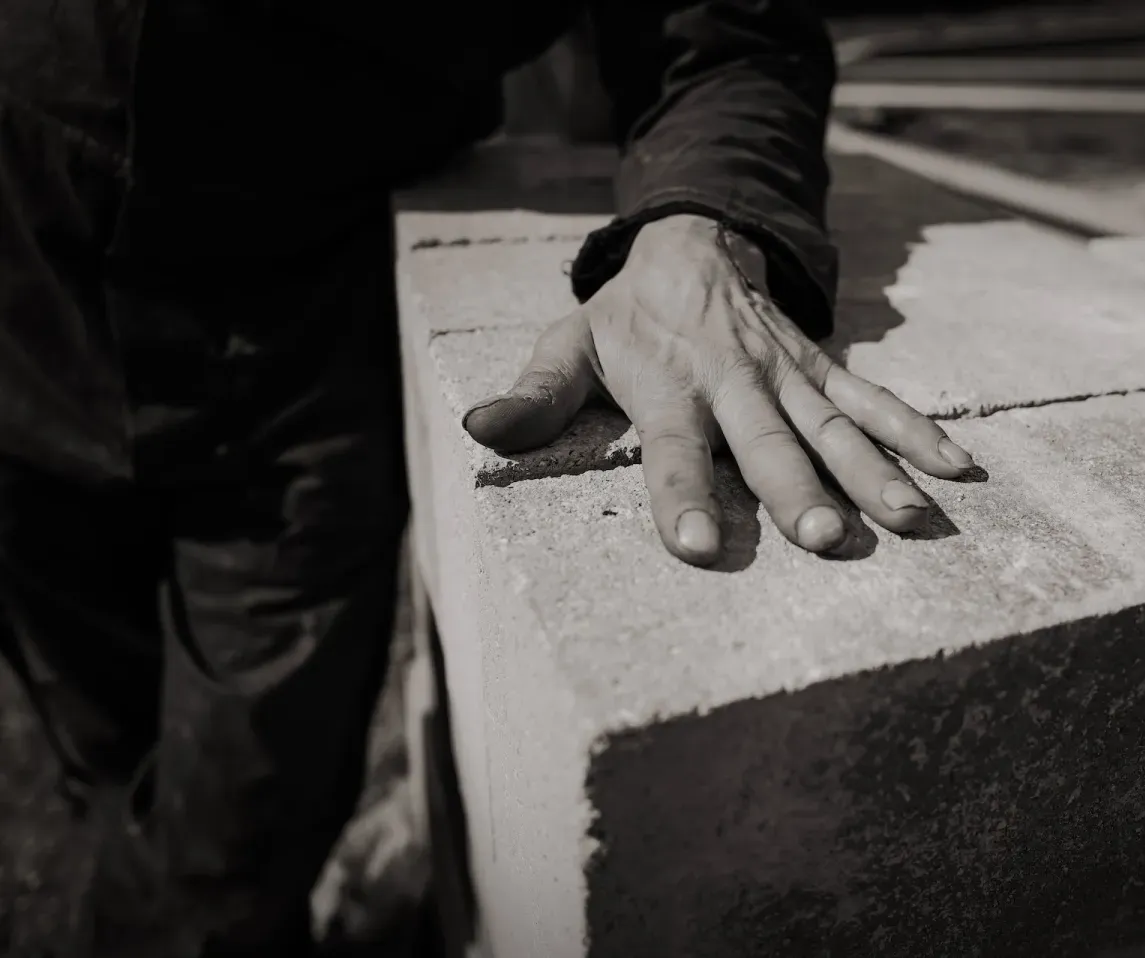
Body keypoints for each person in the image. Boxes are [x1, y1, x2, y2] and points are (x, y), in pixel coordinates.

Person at [0, 1, 979, 955]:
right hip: (21, 300)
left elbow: (735, 37)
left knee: (231, 848)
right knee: (96, 741)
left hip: (284, 351)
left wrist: (702, 218)